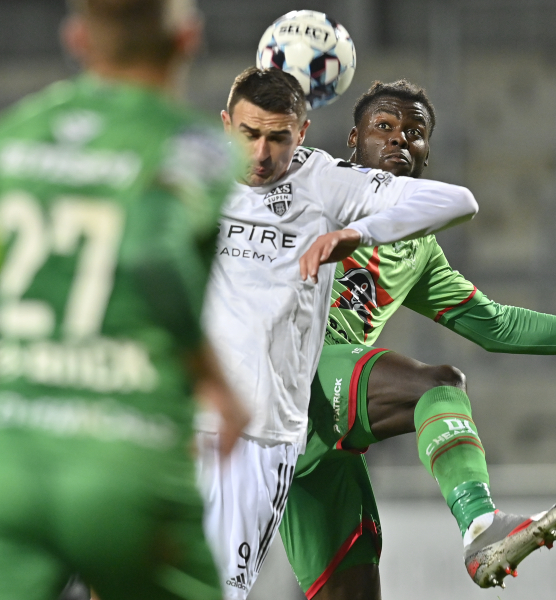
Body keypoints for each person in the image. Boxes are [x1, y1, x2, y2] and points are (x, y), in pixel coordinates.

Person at [277, 80, 556, 599]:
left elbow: (498, 325)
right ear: (354, 138)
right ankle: (480, 524)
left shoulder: (418, 246)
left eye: (415, 132)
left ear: (427, 153)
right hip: (288, 376)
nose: (400, 138)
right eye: (384, 126)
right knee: (437, 387)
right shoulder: (313, 183)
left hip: (316, 435)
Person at [0, 1, 248, 599]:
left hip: (5, 458)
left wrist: (45, 314)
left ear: (77, 38)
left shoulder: (13, 137)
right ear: (188, 39)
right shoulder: (195, 145)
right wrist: (213, 379)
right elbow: (152, 251)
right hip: (129, 454)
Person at [191, 67, 480, 599]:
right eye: (249, 134)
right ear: (226, 125)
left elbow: (458, 201)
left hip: (264, 438)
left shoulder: (323, 182)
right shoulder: (193, 174)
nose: (261, 153)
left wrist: (360, 232)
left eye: (278, 138)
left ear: (301, 135)